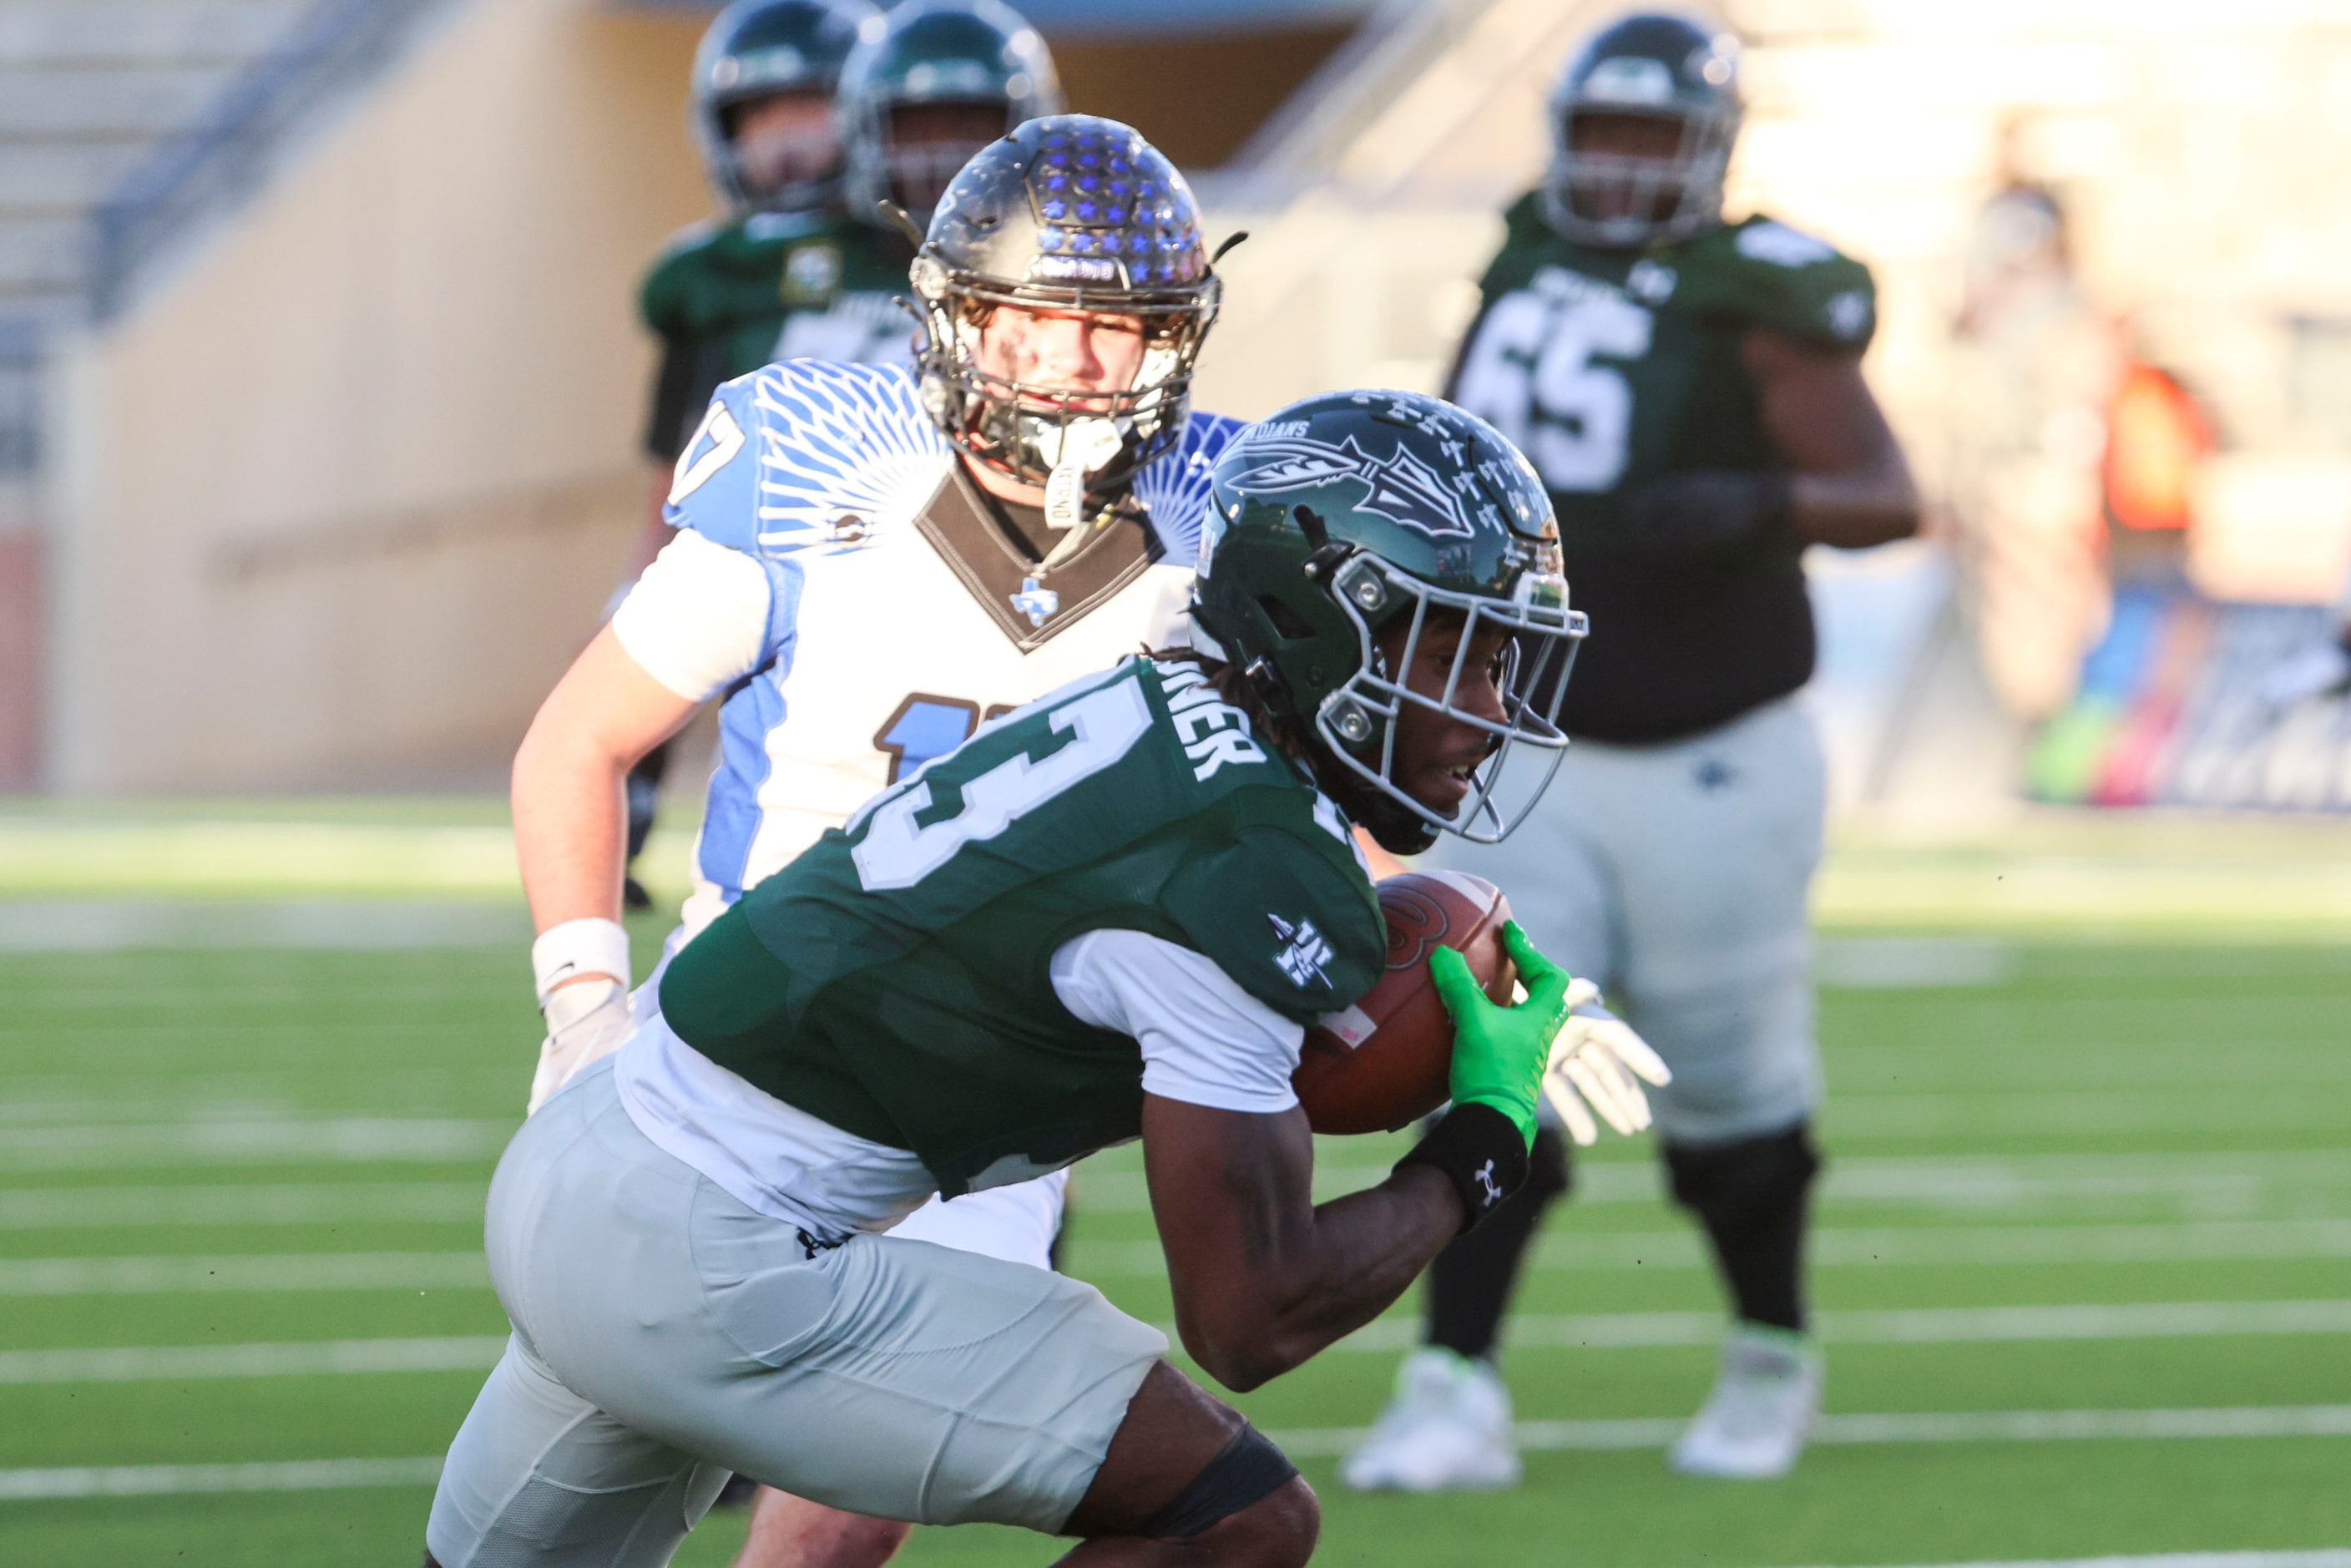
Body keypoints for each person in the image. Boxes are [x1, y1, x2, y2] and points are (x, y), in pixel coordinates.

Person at [426, 387, 1657, 1567]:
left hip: (593, 1158)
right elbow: (1250, 1316)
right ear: (1328, 619)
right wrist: (1484, 1138)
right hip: (708, 1246)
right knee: (1237, 1518)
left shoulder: (1154, 692)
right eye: (1461, 654)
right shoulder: (1242, 869)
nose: (1490, 713)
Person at [513, 114, 1242, 1568]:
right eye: (1043, 319)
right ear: (960, 316)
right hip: (733, 1054)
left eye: (1124, 325)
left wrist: (1463, 944)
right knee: (563, 1506)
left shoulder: (1224, 520)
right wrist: (585, 1002)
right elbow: (577, 742)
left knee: (851, 1499)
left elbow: (1316, 811)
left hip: (989, 1086)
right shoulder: (815, 467)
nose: (1084, 363)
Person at [1342, 10, 1920, 1490]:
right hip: (1524, 749)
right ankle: (1452, 1377)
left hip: (1711, 748)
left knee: (1726, 1087)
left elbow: (1882, 490)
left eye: (1651, 137)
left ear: (1711, 150)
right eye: (1600, 131)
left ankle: (1770, 1348)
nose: (1616, 164)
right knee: (1486, 1050)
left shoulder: (1757, 289)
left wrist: (1755, 500)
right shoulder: (1526, 250)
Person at [616, 0, 1063, 908]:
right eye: (916, 127)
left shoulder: (1063, 270)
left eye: (966, 127)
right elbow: (670, 493)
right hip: (798, 541)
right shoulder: (751, 271)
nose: (941, 156)